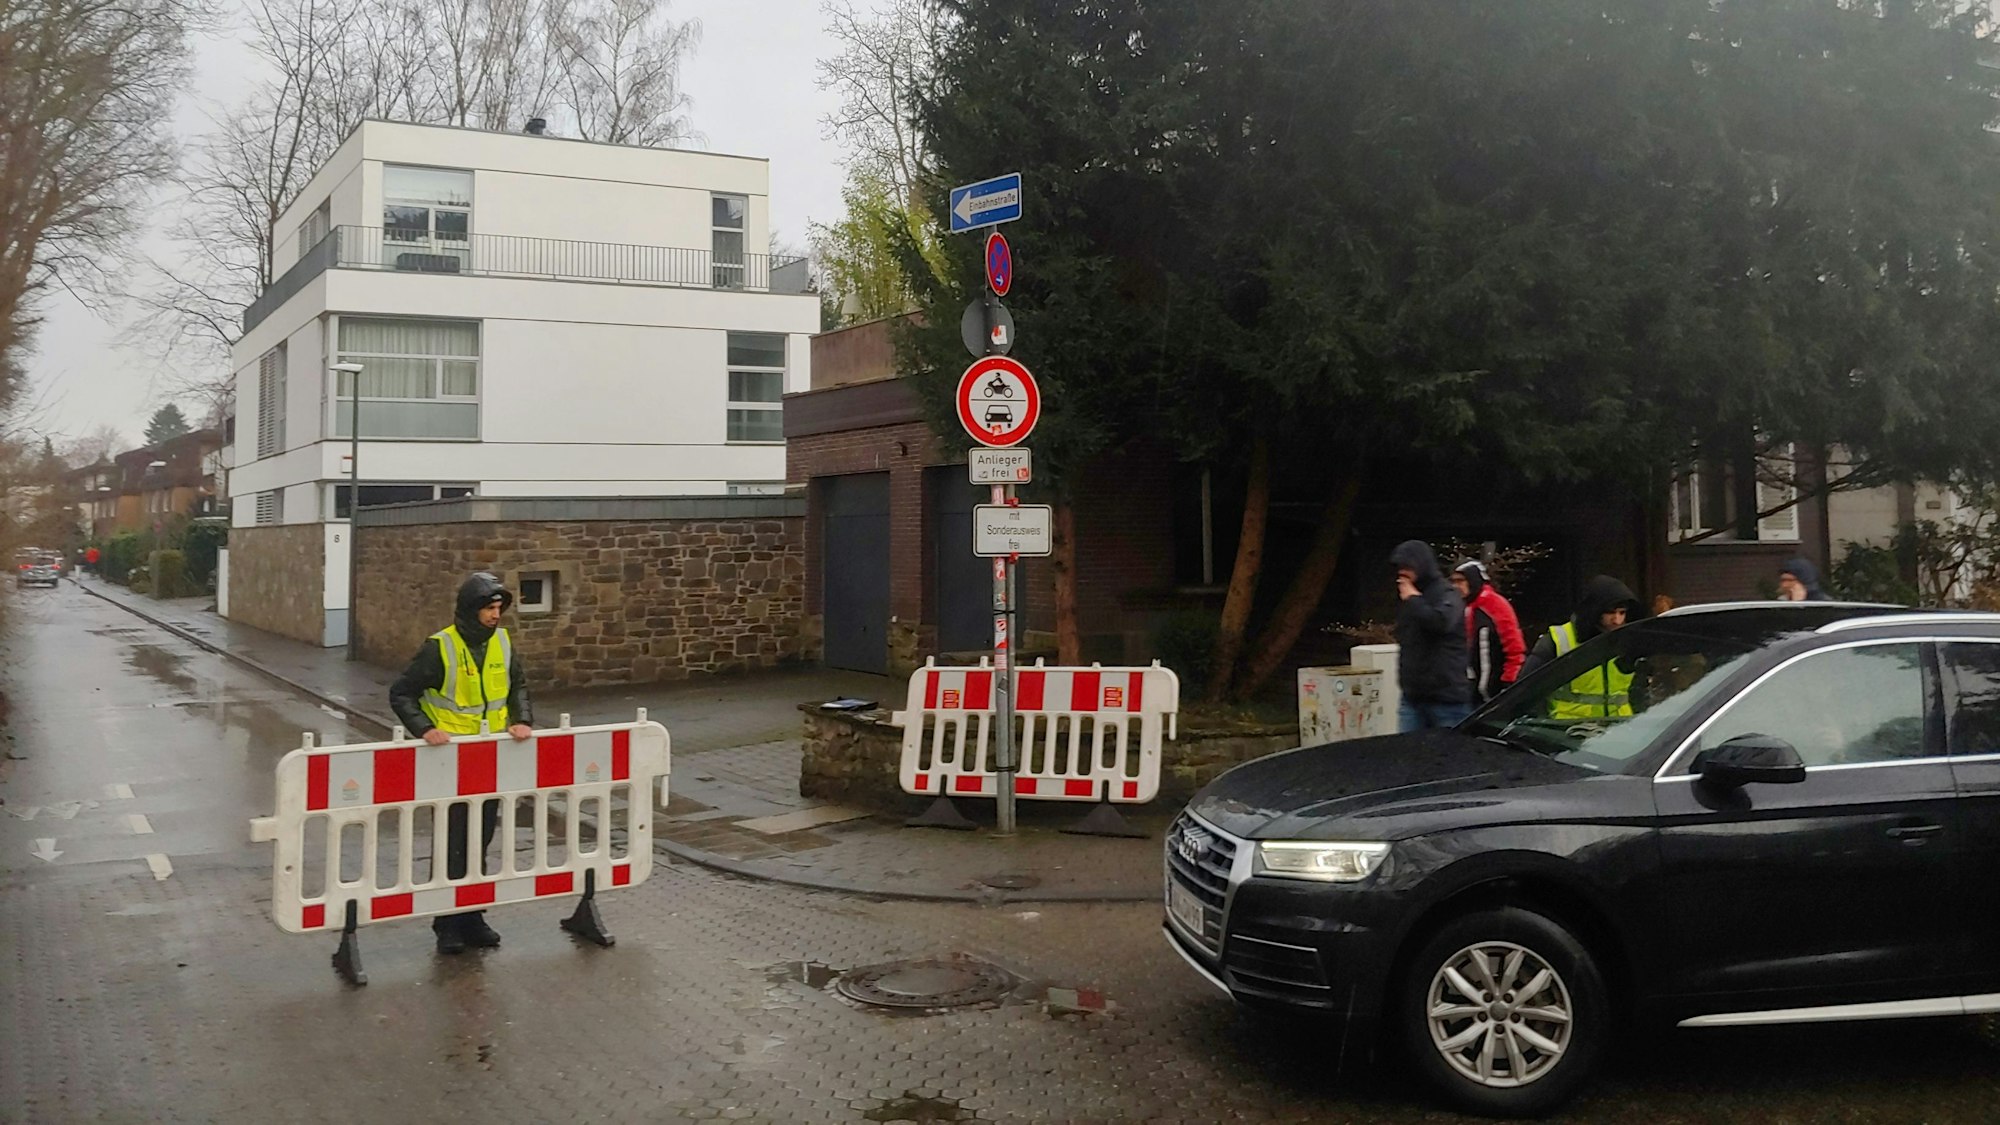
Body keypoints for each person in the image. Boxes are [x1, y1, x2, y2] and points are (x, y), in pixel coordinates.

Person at [390, 572, 535, 955]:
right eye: (489, 608)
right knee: (454, 842)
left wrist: (522, 719)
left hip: (487, 758)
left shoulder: (501, 643)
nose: (495, 616)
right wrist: (425, 729)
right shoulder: (440, 647)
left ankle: (472, 915)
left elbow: (517, 685)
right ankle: (446, 922)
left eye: (499, 608)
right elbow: (402, 693)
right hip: (449, 761)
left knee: (479, 840)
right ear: (471, 610)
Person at [1520, 575, 1641, 718]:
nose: (1617, 620)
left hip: (1620, 730)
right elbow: (1526, 690)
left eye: (1622, 612)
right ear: (1595, 610)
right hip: (1567, 732)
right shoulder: (1558, 640)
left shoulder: (1628, 640)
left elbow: (1640, 690)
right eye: (1610, 613)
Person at [1391, 540, 1471, 731]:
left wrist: (1413, 599)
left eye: (1407, 566)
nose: (1402, 572)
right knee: (1408, 756)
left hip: (1447, 700)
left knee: (1449, 757)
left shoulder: (1447, 593)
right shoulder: (1408, 599)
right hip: (1412, 697)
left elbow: (1441, 622)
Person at [1451, 560, 1526, 703]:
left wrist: (1509, 682)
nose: (1456, 586)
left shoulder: (1494, 605)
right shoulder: (1460, 607)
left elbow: (1514, 648)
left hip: (1495, 692)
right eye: (1453, 581)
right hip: (1468, 691)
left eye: (1460, 581)